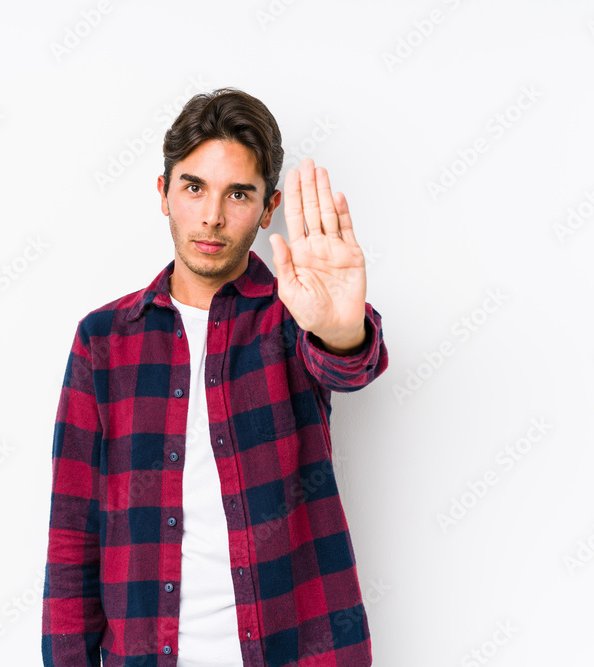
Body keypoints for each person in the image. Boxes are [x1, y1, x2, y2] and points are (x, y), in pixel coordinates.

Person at [41, 87, 388, 666]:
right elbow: (73, 531)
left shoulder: (295, 315)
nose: (212, 216)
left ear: (269, 208)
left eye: (239, 193)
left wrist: (342, 327)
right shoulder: (103, 340)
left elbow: (350, 364)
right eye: (194, 187)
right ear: (163, 192)